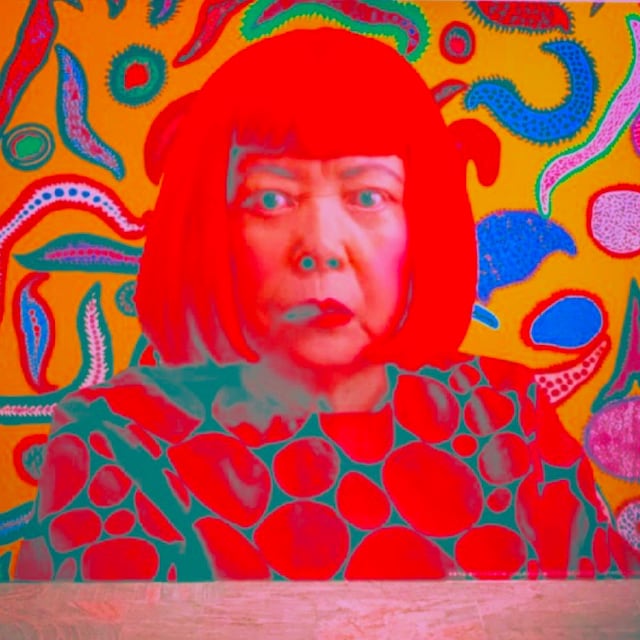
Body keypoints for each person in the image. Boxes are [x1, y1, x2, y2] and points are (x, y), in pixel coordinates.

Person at [14, 28, 640, 581]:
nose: (319, 246)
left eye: (368, 197)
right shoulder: (121, 440)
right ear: (210, 227)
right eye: (270, 200)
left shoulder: (506, 416)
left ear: (421, 223)